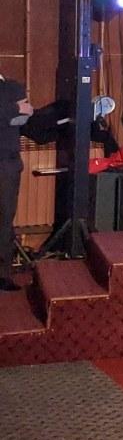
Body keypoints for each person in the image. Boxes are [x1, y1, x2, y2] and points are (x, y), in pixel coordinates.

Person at [1, 74, 31, 291]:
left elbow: (24, 117)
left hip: (7, 163)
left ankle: (2, 274)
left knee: (4, 219)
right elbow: (17, 113)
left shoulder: (12, 86)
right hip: (6, 162)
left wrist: (16, 111)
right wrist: (13, 109)